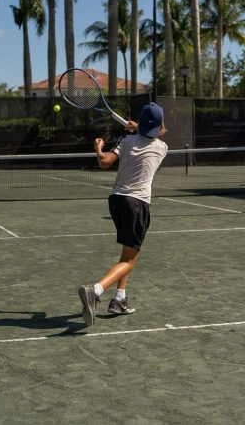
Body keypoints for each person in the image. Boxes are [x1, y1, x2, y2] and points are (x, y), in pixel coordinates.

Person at [77, 102, 168, 326]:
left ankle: (119, 299)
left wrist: (99, 148)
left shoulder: (126, 141)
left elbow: (105, 162)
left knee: (128, 255)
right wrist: (137, 127)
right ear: (158, 126)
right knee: (129, 260)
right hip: (137, 204)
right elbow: (156, 133)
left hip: (116, 201)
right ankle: (95, 290)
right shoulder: (161, 147)